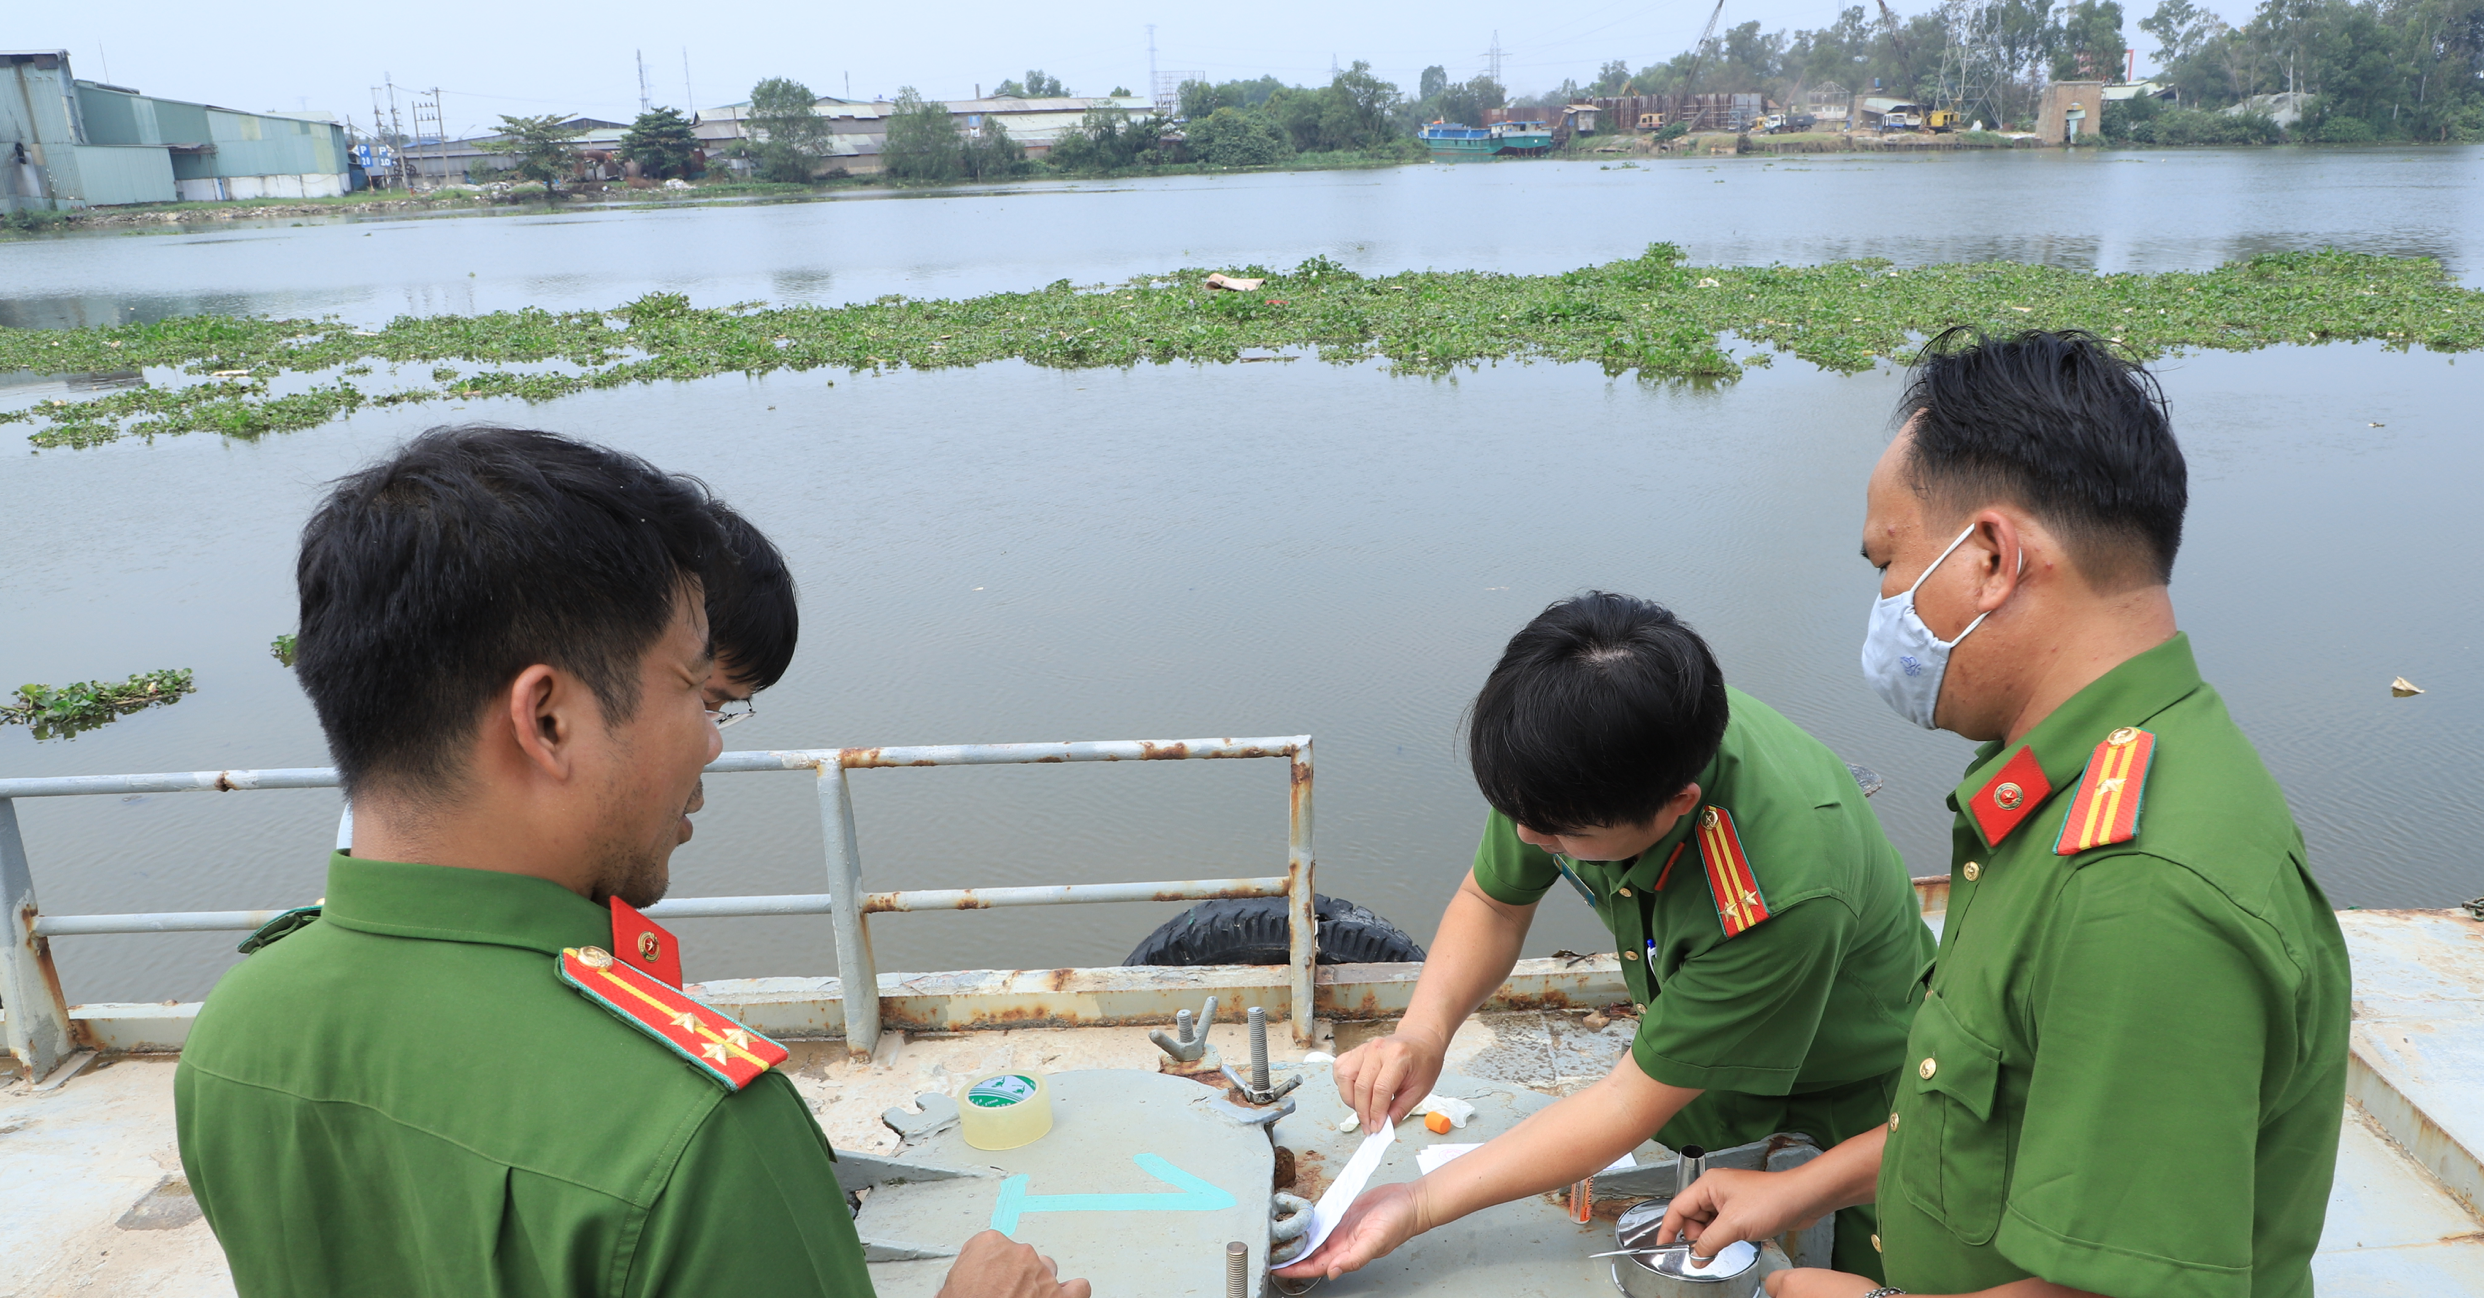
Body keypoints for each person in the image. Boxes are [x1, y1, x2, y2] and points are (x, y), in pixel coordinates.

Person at [175, 426, 1087, 1298]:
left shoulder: (235, 1034)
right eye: (696, 688)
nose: (713, 745)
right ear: (548, 721)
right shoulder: (696, 1135)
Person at [1656, 330, 2350, 1298]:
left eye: (1889, 564)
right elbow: (1995, 1109)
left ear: (1990, 555)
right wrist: (1799, 1186)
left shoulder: (2138, 884)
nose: (1887, 603)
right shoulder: (2060, 801)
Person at [1283, 593, 1933, 1282]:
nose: (1531, 839)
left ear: (1677, 803)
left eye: (1561, 834)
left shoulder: (1778, 893)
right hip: (1693, 1066)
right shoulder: (1581, 746)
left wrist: (1415, 1205)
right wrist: (1422, 1032)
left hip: (1846, 1104)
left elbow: (1625, 1103)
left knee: (1820, 1270)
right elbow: (1493, 902)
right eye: (1518, 815)